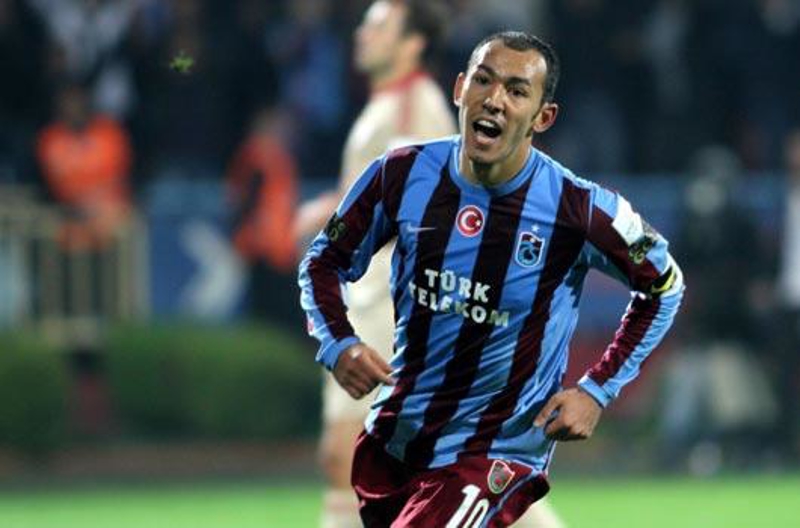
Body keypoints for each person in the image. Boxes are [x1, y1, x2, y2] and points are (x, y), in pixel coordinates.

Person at [299, 30, 684, 527]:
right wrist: (338, 343)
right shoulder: (400, 175)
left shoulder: (579, 208)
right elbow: (323, 260)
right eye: (484, 80)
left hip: (496, 452)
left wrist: (597, 389)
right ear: (460, 89)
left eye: (517, 91)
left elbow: (664, 285)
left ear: (543, 117)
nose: (495, 100)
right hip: (396, 441)